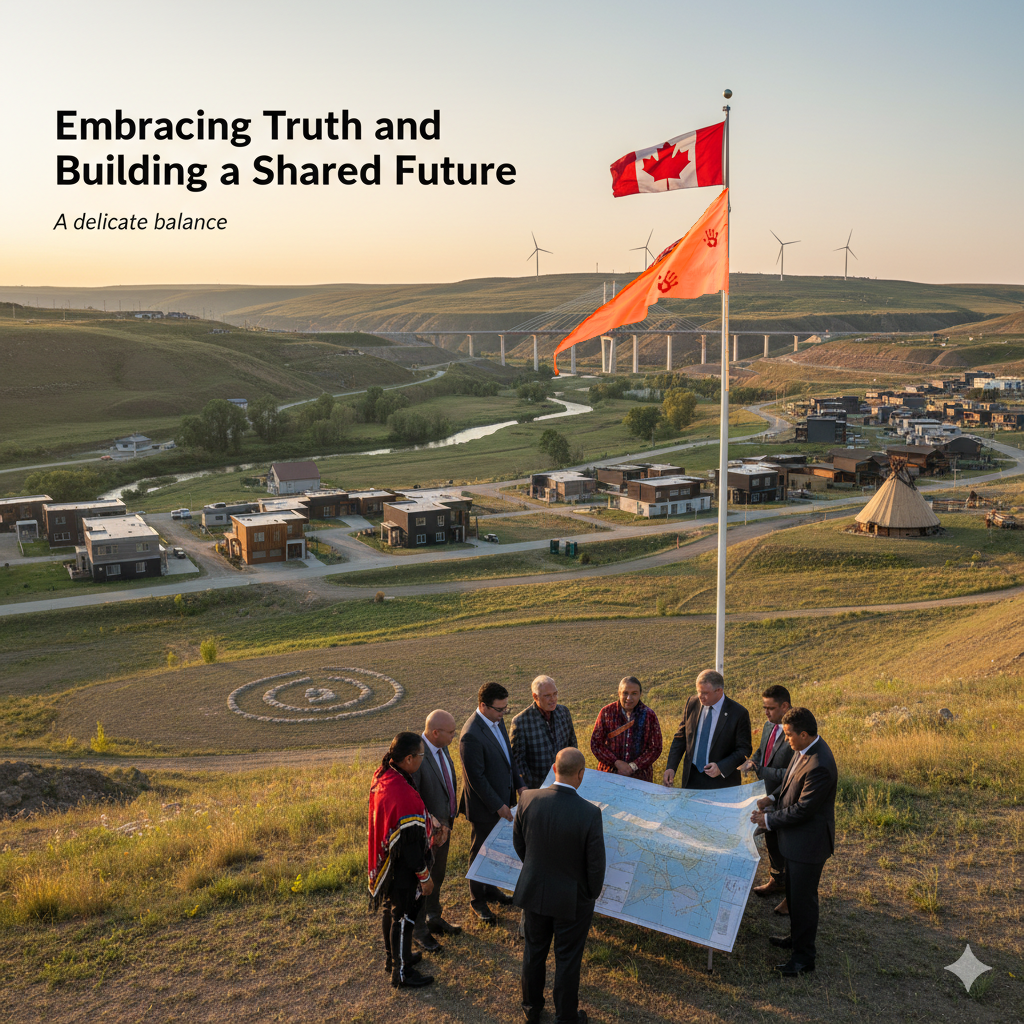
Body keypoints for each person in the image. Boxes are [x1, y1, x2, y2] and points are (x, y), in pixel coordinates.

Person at [514, 747, 606, 1024]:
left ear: (554, 769)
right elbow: (595, 864)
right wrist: (590, 894)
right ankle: (566, 1016)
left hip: (534, 891)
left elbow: (521, 845)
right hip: (572, 899)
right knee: (567, 959)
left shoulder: (528, 798)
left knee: (534, 951)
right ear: (581, 774)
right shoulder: (589, 813)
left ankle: (531, 1007)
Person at [750, 707, 838, 977]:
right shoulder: (803, 750)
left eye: (789, 735)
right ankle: (795, 940)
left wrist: (768, 820)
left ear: (804, 733)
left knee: (803, 901)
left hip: (808, 845)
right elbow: (789, 781)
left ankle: (803, 959)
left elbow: (803, 809)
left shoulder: (820, 763)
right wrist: (772, 798)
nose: (786, 739)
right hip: (795, 841)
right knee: (794, 894)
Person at [367, 732, 435, 989]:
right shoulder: (401, 793)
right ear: (408, 758)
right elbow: (410, 845)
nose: (422, 759)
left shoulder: (385, 774)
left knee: (392, 909)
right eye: (421, 755)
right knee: (404, 915)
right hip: (403, 867)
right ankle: (402, 972)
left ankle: (395, 957)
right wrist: (424, 877)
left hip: (390, 860)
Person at [459, 682, 525, 923]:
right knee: (480, 851)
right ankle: (477, 899)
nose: (503, 714)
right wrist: (498, 805)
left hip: (504, 798)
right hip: (486, 807)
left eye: (505, 709)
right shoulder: (471, 735)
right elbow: (476, 778)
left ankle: (491, 889)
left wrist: (519, 784)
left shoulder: (496, 720)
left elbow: (508, 755)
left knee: (495, 849)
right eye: (499, 709)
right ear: (482, 706)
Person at [740, 684, 795, 913]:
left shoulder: (796, 732)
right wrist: (752, 762)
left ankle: (792, 895)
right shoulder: (768, 726)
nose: (766, 713)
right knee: (771, 840)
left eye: (770, 708)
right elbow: (762, 752)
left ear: (785, 706)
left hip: (787, 797)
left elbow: (793, 773)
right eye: (764, 708)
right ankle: (777, 880)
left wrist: (762, 771)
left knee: (788, 845)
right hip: (768, 795)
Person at [411, 709, 462, 953]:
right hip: (427, 831)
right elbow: (413, 796)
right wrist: (432, 823)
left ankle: (434, 916)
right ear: (435, 733)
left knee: (438, 874)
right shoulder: (416, 755)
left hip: (445, 825)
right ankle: (419, 930)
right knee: (424, 881)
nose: (455, 736)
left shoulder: (442, 747)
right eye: (451, 732)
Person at [662, 669, 752, 790]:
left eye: (705, 693)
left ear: (719, 691)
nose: (700, 696)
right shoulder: (692, 703)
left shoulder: (738, 713)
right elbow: (681, 737)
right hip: (691, 779)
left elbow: (744, 749)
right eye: (699, 691)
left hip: (722, 783)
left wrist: (721, 767)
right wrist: (671, 767)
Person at [510, 675, 578, 791]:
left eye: (555, 694)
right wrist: (526, 787)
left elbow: (572, 745)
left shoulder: (564, 712)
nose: (553, 699)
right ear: (535, 696)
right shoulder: (521, 721)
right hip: (538, 788)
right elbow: (517, 761)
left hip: (564, 784)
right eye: (547, 696)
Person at [589, 676, 663, 783]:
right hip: (609, 776)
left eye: (634, 693)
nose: (629, 698)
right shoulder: (606, 712)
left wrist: (633, 766)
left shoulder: (649, 715)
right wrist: (616, 763)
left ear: (640, 694)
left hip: (640, 778)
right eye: (625, 693)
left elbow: (655, 748)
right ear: (619, 693)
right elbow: (596, 744)